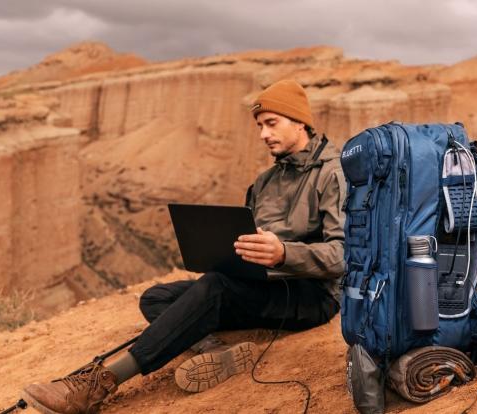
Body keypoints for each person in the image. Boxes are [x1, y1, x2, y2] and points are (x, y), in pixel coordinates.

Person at [21, 79, 346, 414]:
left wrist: (284, 253)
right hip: (262, 284)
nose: (263, 134)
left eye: (272, 123)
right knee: (156, 297)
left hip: (312, 295)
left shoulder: (333, 174)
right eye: (260, 126)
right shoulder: (265, 181)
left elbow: (343, 256)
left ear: (300, 121)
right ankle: (215, 351)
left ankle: (98, 384)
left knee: (214, 288)